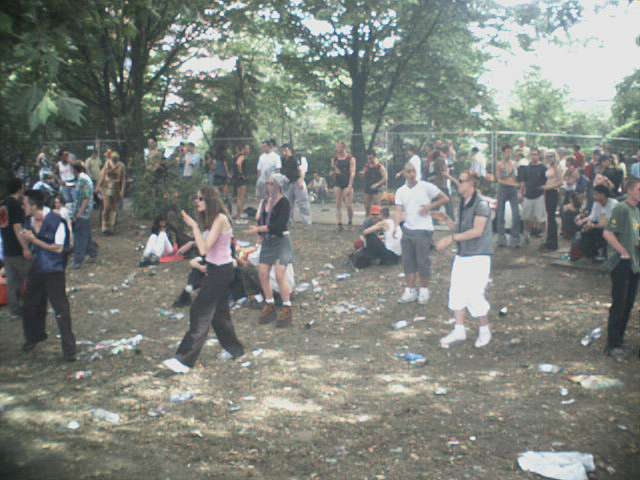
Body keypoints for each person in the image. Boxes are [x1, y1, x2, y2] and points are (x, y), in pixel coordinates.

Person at [162, 186, 245, 374]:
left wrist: (193, 227)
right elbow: (203, 248)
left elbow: (204, 249)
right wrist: (194, 234)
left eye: (200, 198)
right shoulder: (210, 220)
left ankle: (184, 360)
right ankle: (235, 350)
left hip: (221, 272)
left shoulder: (221, 219)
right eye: (196, 198)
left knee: (200, 311)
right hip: (215, 269)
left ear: (210, 200)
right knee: (219, 315)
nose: (197, 201)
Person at [435, 171, 493, 349]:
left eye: (460, 181)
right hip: (463, 255)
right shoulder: (463, 203)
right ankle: (459, 329)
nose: (457, 184)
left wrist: (450, 239)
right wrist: (445, 219)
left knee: (475, 294)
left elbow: (477, 231)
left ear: (471, 183)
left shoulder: (481, 204)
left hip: (479, 255)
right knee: (457, 292)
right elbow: (460, 229)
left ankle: (485, 330)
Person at [20, 189, 76, 361]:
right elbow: (26, 238)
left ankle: (69, 350)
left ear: (34, 205)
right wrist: (27, 244)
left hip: (54, 270)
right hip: (37, 268)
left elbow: (58, 248)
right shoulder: (28, 220)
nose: (23, 207)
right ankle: (34, 337)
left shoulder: (56, 220)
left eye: (25, 204)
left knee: (60, 310)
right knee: (29, 304)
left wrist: (33, 240)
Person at [395, 161, 449, 304]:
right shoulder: (400, 191)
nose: (411, 174)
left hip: (424, 230)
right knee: (408, 261)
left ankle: (424, 290)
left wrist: (430, 207)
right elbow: (399, 211)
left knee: (423, 261)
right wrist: (395, 227)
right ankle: (410, 290)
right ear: (404, 173)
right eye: (408, 171)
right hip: (407, 229)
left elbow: (445, 198)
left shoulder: (426, 186)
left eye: (413, 171)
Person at [248, 173, 295, 327]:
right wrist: (260, 235)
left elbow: (280, 225)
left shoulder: (284, 202)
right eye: (267, 183)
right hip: (268, 242)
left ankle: (287, 307)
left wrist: (259, 229)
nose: (268, 186)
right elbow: (261, 219)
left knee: (280, 274)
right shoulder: (265, 202)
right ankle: (270, 304)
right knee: (262, 273)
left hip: (281, 241)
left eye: (271, 183)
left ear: (279, 186)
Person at [602, 177, 640, 360]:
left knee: (629, 303)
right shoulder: (621, 208)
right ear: (630, 190)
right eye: (639, 189)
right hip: (621, 263)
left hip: (634, 264)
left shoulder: (635, 211)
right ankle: (612, 344)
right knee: (619, 302)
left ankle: (620, 339)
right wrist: (623, 251)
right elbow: (608, 233)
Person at [0, 178, 32, 318]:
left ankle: (14, 311)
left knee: (12, 282)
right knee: (30, 276)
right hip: (16, 248)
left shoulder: (4, 204)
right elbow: (17, 227)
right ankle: (31, 306)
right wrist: (25, 247)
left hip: (7, 248)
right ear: (19, 188)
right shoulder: (15, 205)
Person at [576, 185, 618, 260]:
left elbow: (608, 223)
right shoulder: (596, 203)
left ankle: (602, 252)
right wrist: (584, 221)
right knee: (584, 230)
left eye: (596, 194)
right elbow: (592, 216)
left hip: (612, 228)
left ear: (603, 194)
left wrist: (593, 226)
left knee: (599, 231)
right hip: (599, 225)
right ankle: (590, 253)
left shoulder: (613, 204)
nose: (594, 196)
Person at [70, 162, 98, 268]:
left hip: (82, 212)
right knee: (86, 234)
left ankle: (78, 260)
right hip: (84, 211)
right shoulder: (83, 178)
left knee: (80, 236)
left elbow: (86, 198)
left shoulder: (83, 179)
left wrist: (79, 213)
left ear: (76, 170)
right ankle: (92, 252)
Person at [519, 148, 547, 243]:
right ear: (530, 156)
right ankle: (526, 235)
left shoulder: (543, 168)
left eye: (535, 154)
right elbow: (523, 182)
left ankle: (544, 236)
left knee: (541, 218)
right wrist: (521, 194)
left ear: (539, 156)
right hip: (528, 196)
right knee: (526, 217)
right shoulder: (526, 168)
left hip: (539, 196)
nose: (534, 156)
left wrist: (544, 194)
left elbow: (546, 183)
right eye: (532, 154)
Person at [495, 144, 521, 248]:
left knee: (516, 214)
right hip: (503, 189)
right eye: (506, 152)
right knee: (500, 214)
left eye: (510, 152)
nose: (508, 154)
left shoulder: (514, 164)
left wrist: (519, 186)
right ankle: (501, 238)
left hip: (513, 190)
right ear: (503, 152)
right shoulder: (499, 164)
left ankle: (515, 238)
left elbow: (517, 177)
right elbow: (498, 179)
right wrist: (513, 184)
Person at [281, 144, 312, 225]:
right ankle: (288, 221)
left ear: (290, 150)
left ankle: (306, 221)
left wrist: (301, 181)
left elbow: (302, 170)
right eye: (283, 150)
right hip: (288, 182)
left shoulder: (296, 159)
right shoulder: (283, 160)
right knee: (287, 203)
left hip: (297, 181)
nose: (284, 152)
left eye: (286, 150)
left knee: (302, 202)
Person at [96, 151, 126, 235]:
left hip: (116, 188)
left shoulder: (121, 166)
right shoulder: (107, 164)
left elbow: (123, 179)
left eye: (116, 159)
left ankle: (111, 227)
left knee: (114, 208)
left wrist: (122, 190)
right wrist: (98, 186)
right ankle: (105, 226)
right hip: (106, 188)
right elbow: (102, 176)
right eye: (113, 159)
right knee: (106, 207)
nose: (114, 160)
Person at [331, 141, 356, 230]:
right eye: (337, 147)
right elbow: (333, 170)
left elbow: (353, 172)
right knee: (338, 203)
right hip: (338, 183)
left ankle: (350, 219)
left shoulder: (350, 158)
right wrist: (333, 173)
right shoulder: (334, 159)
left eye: (339, 147)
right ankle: (339, 223)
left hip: (347, 182)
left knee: (348, 204)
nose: (337, 149)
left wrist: (350, 185)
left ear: (343, 147)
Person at [541, 150, 563, 251]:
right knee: (549, 217)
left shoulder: (557, 167)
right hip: (548, 193)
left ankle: (553, 243)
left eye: (551, 156)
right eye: (548, 156)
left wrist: (547, 187)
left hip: (553, 192)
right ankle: (549, 240)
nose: (549, 158)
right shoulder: (549, 167)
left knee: (551, 217)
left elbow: (560, 183)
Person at [361, 149, 387, 216]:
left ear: (375, 157)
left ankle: (378, 221)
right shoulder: (366, 166)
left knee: (376, 207)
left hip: (377, 189)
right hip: (367, 187)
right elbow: (363, 174)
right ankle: (367, 221)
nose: (369, 160)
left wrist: (377, 184)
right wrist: (362, 174)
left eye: (371, 158)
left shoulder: (380, 167)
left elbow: (385, 178)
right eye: (368, 158)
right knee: (367, 206)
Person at [231, 144, 250, 220]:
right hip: (241, 179)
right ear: (244, 149)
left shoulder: (236, 156)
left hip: (236, 179)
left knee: (239, 197)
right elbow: (238, 164)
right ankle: (239, 215)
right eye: (248, 149)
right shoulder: (242, 156)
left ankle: (238, 214)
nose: (249, 150)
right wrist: (242, 174)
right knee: (241, 198)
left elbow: (235, 166)